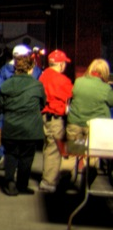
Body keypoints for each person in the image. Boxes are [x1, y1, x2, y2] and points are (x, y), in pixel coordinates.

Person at [0, 48, 45, 195]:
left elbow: (1, 104)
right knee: (27, 156)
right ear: (30, 68)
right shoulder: (37, 85)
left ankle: (9, 182)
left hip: (11, 125)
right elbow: (42, 104)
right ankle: (22, 185)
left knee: (11, 154)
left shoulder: (7, 85)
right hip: (30, 128)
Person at [66, 58, 113, 189]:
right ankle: (85, 186)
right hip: (94, 129)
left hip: (75, 124)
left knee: (73, 154)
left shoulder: (79, 82)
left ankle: (67, 182)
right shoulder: (106, 88)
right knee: (92, 158)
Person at [37, 50, 73, 193]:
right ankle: (48, 182)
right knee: (54, 149)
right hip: (56, 118)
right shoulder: (63, 80)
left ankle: (48, 177)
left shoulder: (43, 76)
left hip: (44, 117)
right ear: (60, 64)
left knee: (48, 147)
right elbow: (71, 96)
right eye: (64, 63)